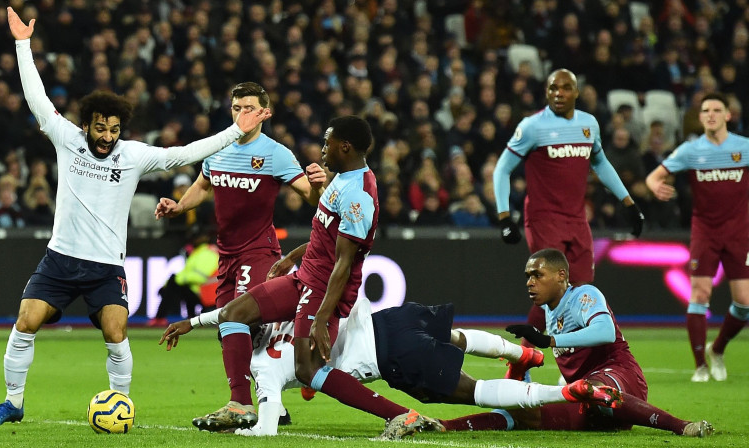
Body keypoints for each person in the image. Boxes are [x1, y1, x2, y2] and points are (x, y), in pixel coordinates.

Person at [0, 8, 272, 428]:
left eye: (114, 129)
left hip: (105, 266)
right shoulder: (67, 140)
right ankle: (13, 402)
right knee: (26, 321)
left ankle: (121, 406)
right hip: (60, 258)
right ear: (87, 125)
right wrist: (23, 45)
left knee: (116, 334)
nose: (107, 136)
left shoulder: (132, 155)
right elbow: (37, 100)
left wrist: (234, 131)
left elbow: (182, 154)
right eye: (100, 128)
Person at [163, 116, 433, 440]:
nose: (322, 149)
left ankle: (402, 415)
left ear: (344, 146)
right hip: (304, 277)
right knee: (234, 315)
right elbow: (325, 238)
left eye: (327, 142)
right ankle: (240, 404)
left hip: (321, 289)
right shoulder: (343, 180)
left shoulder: (360, 195)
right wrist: (292, 257)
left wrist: (321, 317)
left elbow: (343, 264)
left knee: (309, 370)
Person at [160, 296, 622, 437]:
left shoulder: (265, 364)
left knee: (473, 392)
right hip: (393, 319)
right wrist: (192, 321)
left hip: (394, 360)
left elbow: (266, 427)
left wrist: (243, 428)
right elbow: (232, 313)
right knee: (455, 337)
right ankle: (518, 352)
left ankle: (565, 392)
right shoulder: (294, 305)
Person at [153, 81, 327, 425]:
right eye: (236, 109)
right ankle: (273, 403)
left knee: (238, 321)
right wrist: (178, 206)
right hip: (227, 255)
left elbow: (309, 196)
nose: (241, 115)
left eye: (248, 108)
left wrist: (319, 183)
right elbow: (203, 184)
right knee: (232, 330)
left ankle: (241, 402)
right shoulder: (219, 147)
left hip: (259, 251)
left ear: (265, 112)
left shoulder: (275, 153)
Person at [492, 69, 645, 378]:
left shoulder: (589, 125)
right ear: (546, 93)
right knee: (548, 291)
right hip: (544, 217)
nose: (558, 93)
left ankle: (573, 367)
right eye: (552, 88)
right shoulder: (533, 127)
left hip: (577, 220)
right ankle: (520, 365)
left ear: (577, 92)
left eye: (565, 88)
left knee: (583, 292)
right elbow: (502, 169)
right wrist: (504, 216)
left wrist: (628, 202)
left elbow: (600, 162)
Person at [465, 248, 711, 437]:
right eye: (528, 276)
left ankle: (682, 426)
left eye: (537, 275)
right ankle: (442, 426)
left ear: (561, 275)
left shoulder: (584, 295)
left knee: (592, 389)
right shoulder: (548, 311)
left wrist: (550, 340)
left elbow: (605, 332)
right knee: (522, 415)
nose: (530, 282)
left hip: (621, 377)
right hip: (583, 398)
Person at [646, 92, 749, 383]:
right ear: (700, 116)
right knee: (700, 295)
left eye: (717, 109)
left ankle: (719, 350)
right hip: (705, 232)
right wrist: (656, 186)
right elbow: (654, 176)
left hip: (739, 233)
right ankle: (701, 365)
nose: (711, 114)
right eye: (706, 110)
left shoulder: (744, 148)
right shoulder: (691, 151)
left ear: (729, 115)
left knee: (744, 303)